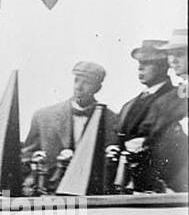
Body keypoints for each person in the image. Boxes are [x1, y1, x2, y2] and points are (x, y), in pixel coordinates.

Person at [20, 61, 119, 195]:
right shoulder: (44, 117)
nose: (79, 87)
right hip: (49, 196)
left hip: (92, 197)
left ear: (98, 88)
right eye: (77, 80)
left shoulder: (112, 120)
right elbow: (26, 157)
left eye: (87, 82)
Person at [108, 39, 188, 193]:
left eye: (148, 63)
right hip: (128, 183)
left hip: (163, 184)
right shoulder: (129, 105)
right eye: (139, 63)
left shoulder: (178, 97)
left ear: (163, 66)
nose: (140, 68)